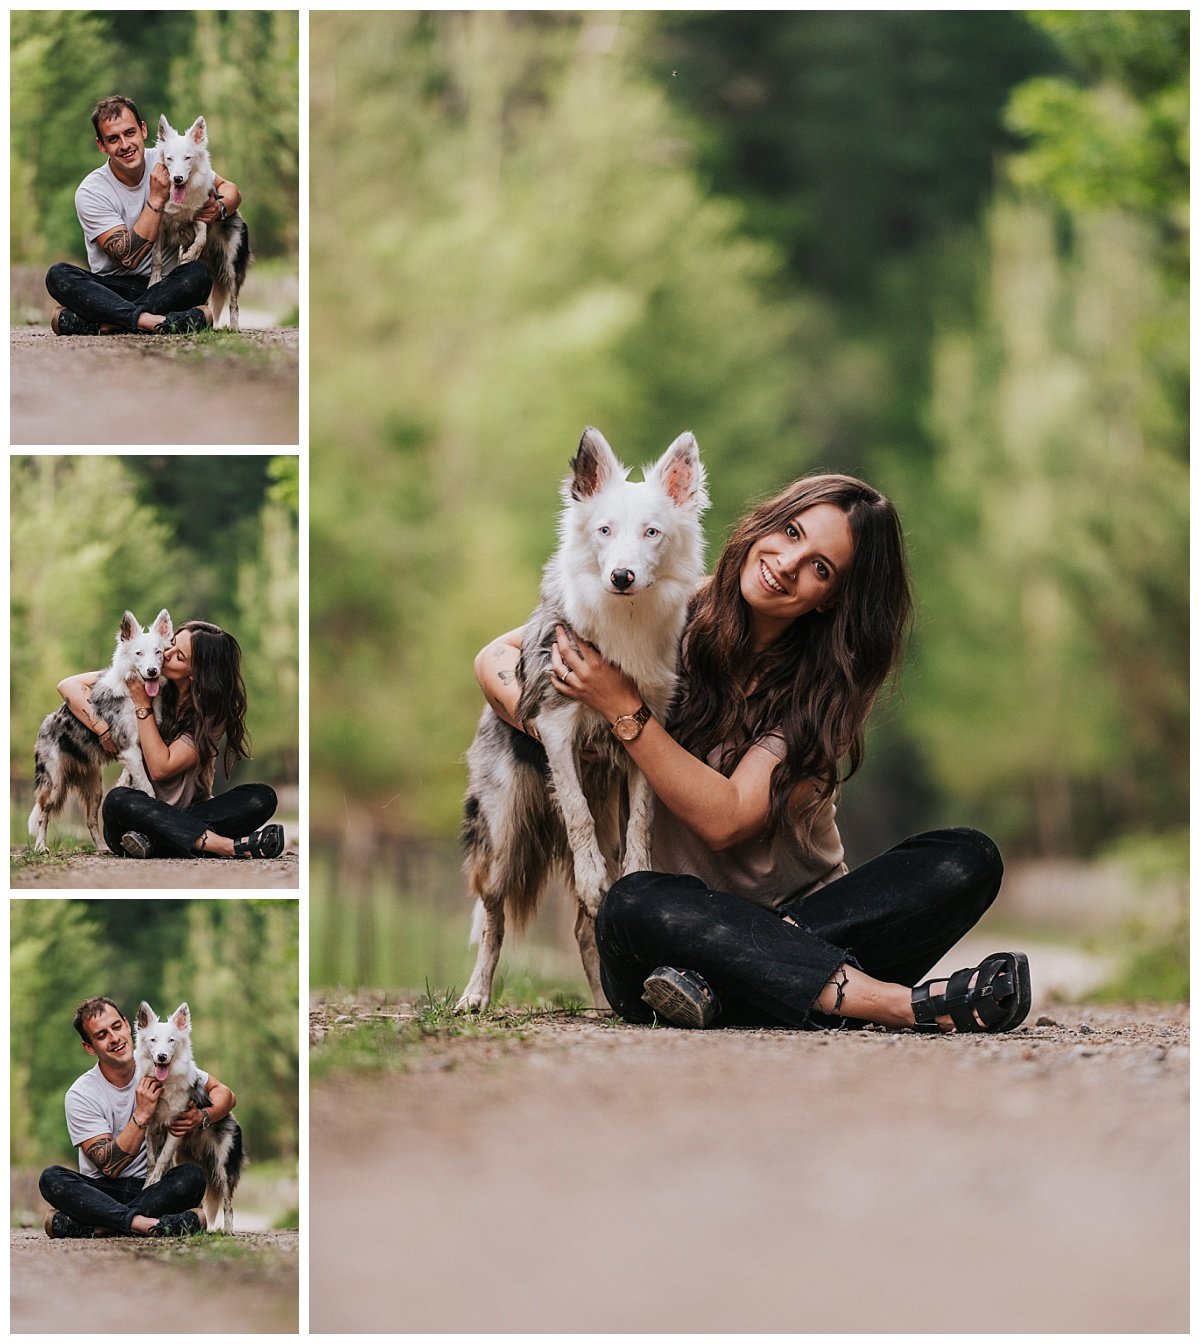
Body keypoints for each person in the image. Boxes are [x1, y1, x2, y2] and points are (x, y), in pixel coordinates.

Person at [476, 472, 1032, 1033]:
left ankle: (736, 985)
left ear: (832, 599)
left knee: (968, 858)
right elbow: (495, 657)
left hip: (808, 921)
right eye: (791, 532)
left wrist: (623, 710)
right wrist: (558, 719)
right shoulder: (666, 605)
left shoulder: (823, 691)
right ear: (764, 524)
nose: (789, 563)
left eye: (821, 568)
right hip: (671, 927)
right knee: (631, 903)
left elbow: (729, 819)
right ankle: (892, 1004)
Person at [57, 619, 285, 860]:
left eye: (179, 656)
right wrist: (103, 731)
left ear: (197, 673)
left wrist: (143, 707)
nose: (165, 654)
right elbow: (68, 686)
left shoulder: (210, 716)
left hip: (185, 813)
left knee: (262, 797)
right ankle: (224, 845)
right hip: (134, 816)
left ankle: (155, 842)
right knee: (117, 801)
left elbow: (160, 768)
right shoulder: (142, 674)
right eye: (172, 644)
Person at [44, 94, 242, 337]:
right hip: (111, 289)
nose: (125, 145)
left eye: (129, 133)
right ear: (101, 145)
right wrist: (156, 199)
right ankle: (154, 321)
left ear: (143, 130)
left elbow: (230, 189)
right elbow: (127, 257)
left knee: (198, 275)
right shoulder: (91, 191)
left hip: (166, 286)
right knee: (58, 275)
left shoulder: (170, 157)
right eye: (113, 139)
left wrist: (220, 208)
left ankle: (106, 322)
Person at [39, 997, 235, 1238]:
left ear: (127, 1024)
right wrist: (142, 1114)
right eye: (101, 1035)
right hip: (102, 1192)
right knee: (52, 1178)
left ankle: (101, 1225)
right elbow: (109, 1166)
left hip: (154, 1188)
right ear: (89, 1047)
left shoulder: (159, 1058)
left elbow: (226, 1095)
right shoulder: (81, 1094)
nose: (114, 1038)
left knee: (191, 1177)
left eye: (116, 1026)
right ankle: (146, 1224)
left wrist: (202, 1116)